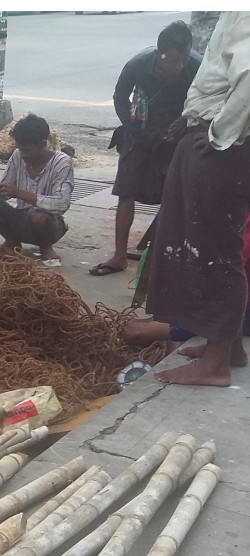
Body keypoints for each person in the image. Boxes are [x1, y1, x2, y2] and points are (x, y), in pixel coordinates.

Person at [144, 12, 250, 387]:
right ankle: (227, 347)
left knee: (213, 251)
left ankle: (216, 363)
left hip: (221, 148)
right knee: (214, 246)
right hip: (220, 143)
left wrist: (222, 133)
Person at [90, 20, 201, 277]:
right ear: (159, 55)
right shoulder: (136, 65)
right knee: (126, 189)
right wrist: (135, 132)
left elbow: (204, 103)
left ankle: (164, 255)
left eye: (184, 59)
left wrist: (177, 130)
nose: (180, 66)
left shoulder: (198, 67)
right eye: (174, 61)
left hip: (179, 127)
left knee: (175, 192)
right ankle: (119, 255)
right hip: (140, 127)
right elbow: (120, 98)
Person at [123, 217, 250, 350]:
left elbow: (225, 274)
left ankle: (214, 354)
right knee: (150, 324)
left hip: (236, 312)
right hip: (227, 303)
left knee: (135, 332)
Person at [0, 113, 73, 267]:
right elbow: (7, 191)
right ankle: (12, 240)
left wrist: (20, 193)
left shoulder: (62, 163)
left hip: (49, 222)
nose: (23, 155)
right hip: (20, 217)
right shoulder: (17, 156)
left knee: (37, 216)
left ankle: (45, 246)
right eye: (20, 149)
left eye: (27, 151)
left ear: (42, 145)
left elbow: (62, 203)